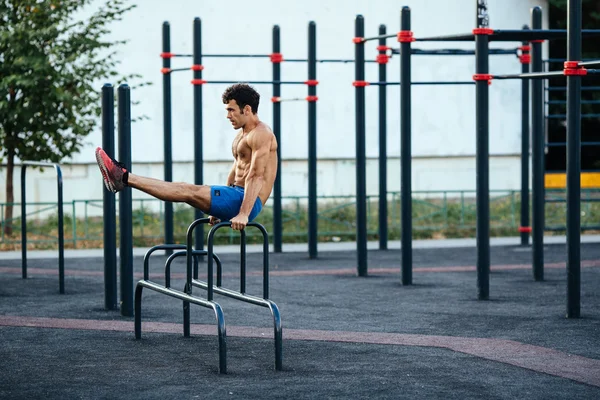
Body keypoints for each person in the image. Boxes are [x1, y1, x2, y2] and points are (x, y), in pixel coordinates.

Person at [95, 83, 278, 231]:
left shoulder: (262, 134)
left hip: (248, 202)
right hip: (236, 196)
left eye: (231, 110)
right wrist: (220, 207)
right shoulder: (242, 134)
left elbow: (256, 175)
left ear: (246, 109)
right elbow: (236, 169)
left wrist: (244, 213)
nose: (227, 115)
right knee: (186, 189)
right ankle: (123, 178)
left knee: (187, 190)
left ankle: (123, 177)